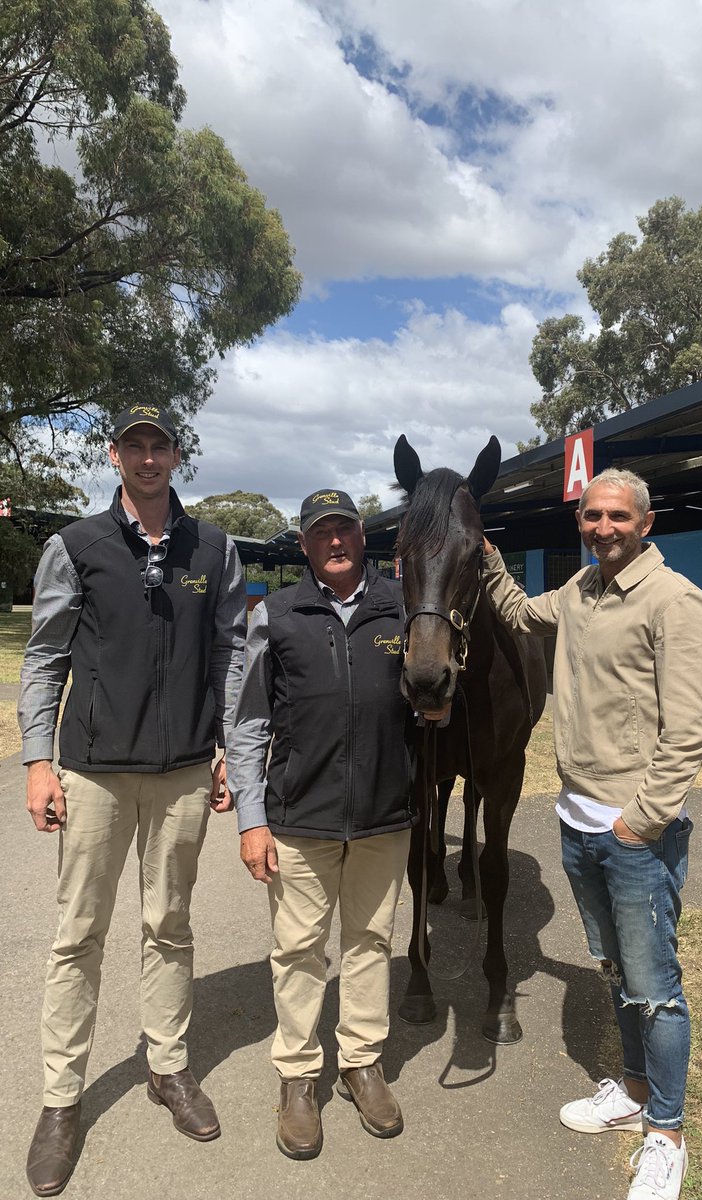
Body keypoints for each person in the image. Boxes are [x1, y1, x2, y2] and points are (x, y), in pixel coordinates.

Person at [19, 404, 247, 1197]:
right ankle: (59, 1099)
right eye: (135, 446)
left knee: (169, 926)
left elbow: (229, 655)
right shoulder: (75, 546)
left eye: (162, 445)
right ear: (115, 455)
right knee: (78, 934)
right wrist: (37, 763)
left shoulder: (213, 549)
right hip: (91, 771)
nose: (148, 459)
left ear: (177, 456)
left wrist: (222, 750)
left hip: (183, 769)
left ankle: (169, 1067)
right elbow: (45, 657)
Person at [482, 467, 702, 1200]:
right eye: (592, 517)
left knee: (656, 989)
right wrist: (487, 559)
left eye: (618, 517)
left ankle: (667, 1134)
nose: (604, 528)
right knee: (613, 971)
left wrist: (638, 822)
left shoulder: (676, 601)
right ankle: (634, 1093)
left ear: (645, 523)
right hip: (577, 821)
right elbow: (521, 615)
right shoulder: (579, 594)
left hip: (633, 833)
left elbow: (690, 730)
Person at [227, 488, 413, 1161]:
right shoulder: (273, 616)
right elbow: (246, 724)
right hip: (298, 818)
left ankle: (362, 1064)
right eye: (320, 533)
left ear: (363, 536)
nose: (334, 541)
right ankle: (299, 1079)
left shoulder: (401, 604)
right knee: (300, 952)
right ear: (303, 545)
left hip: (384, 815)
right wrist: (252, 820)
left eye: (344, 529)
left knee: (369, 941)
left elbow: (430, 692)